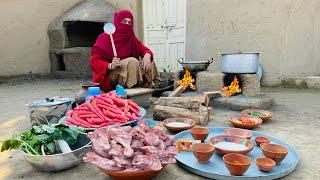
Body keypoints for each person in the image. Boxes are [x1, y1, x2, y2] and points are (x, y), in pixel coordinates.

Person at [90, 10, 160, 92]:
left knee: (149, 61)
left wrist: (147, 55)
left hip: (130, 71)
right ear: (117, 22)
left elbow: (144, 49)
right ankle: (130, 90)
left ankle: (149, 86)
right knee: (132, 61)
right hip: (112, 74)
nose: (127, 24)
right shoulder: (104, 38)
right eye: (124, 21)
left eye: (129, 22)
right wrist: (110, 65)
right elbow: (94, 61)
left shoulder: (131, 37)